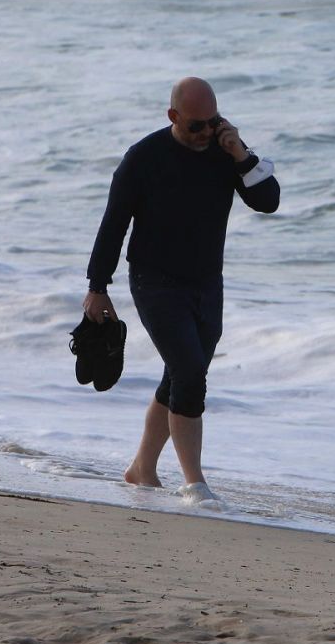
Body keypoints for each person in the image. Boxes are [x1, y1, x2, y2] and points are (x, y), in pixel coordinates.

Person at [82, 76, 280, 508]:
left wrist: (241, 154)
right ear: (173, 116)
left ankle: (141, 470)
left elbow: (268, 201)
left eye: (213, 122)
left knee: (179, 374)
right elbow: (114, 223)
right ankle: (195, 483)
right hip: (154, 281)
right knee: (190, 370)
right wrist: (98, 287)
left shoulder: (226, 152)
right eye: (196, 125)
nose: (206, 132)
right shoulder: (143, 158)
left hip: (207, 283)